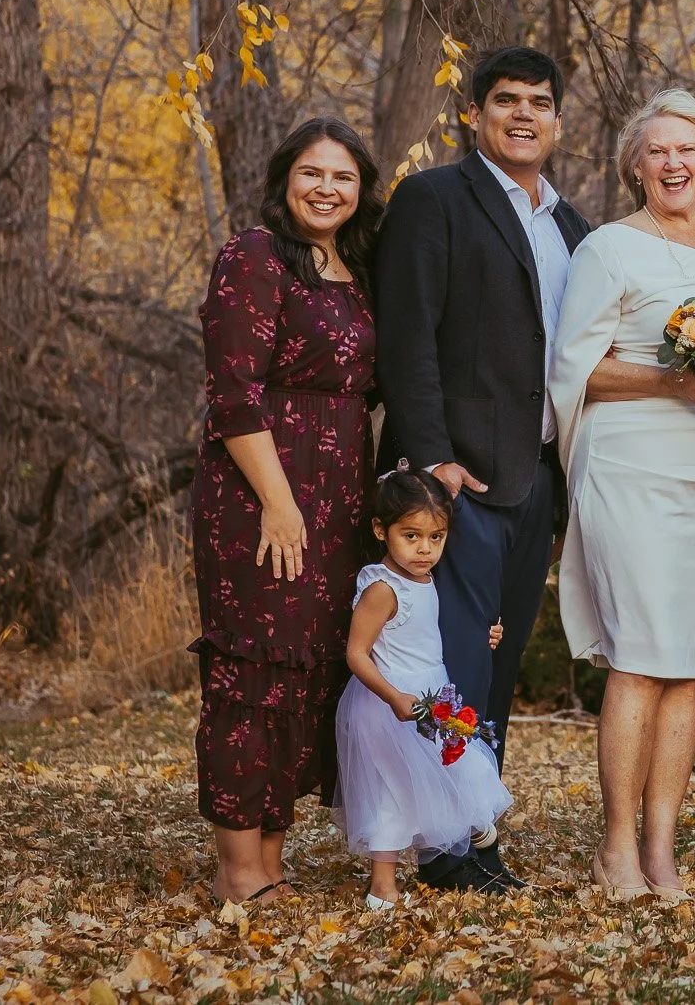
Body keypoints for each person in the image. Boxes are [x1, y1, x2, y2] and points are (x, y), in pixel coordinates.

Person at [374, 47, 593, 893]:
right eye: (506, 100)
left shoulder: (570, 226)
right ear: (475, 114)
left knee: (496, 668)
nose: (524, 114)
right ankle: (441, 847)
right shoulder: (435, 200)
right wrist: (433, 462)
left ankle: (474, 827)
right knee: (449, 660)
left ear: (559, 119)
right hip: (456, 481)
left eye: (540, 101)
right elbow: (408, 337)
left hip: (536, 476)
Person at [548, 91, 695, 902]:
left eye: (688, 150)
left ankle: (663, 850)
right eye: (656, 151)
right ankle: (616, 849)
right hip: (629, 464)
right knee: (638, 655)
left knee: (688, 666)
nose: (673, 163)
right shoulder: (606, 248)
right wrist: (673, 378)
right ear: (635, 166)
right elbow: (578, 364)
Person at [192, 117, 385, 904]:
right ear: (285, 179)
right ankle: (238, 870)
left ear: (361, 189)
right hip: (261, 489)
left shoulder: (355, 268)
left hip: (338, 495)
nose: (327, 188)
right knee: (253, 671)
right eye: (312, 173)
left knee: (306, 674)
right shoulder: (254, 256)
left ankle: (271, 856)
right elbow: (232, 390)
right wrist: (277, 502)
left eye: (343, 177)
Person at [336, 465, 513, 909]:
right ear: (381, 529)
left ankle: (473, 823)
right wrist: (394, 697)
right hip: (389, 703)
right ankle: (382, 886)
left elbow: (427, 631)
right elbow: (357, 653)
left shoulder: (425, 578)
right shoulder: (383, 586)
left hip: (432, 696)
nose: (425, 549)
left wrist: (482, 635)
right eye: (411, 535)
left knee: (462, 768)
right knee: (392, 794)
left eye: (436, 537)